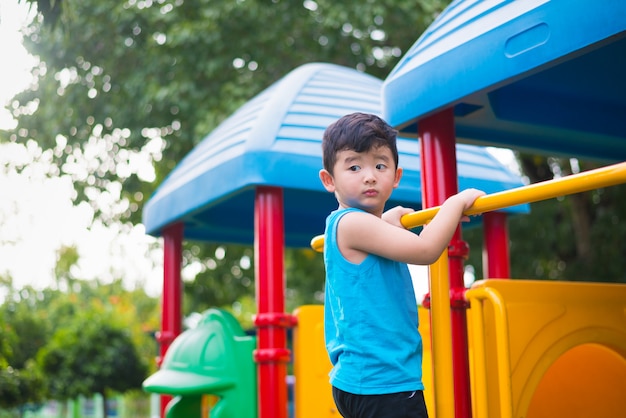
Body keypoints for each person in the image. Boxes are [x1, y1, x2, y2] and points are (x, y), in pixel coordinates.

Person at [318, 112, 484, 418]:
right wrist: (454, 204)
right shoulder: (352, 223)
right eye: (354, 166)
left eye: (380, 165)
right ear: (329, 179)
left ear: (396, 176)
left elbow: (380, 241)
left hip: (365, 379)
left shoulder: (351, 225)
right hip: (383, 382)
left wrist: (389, 221)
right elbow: (425, 250)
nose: (369, 175)